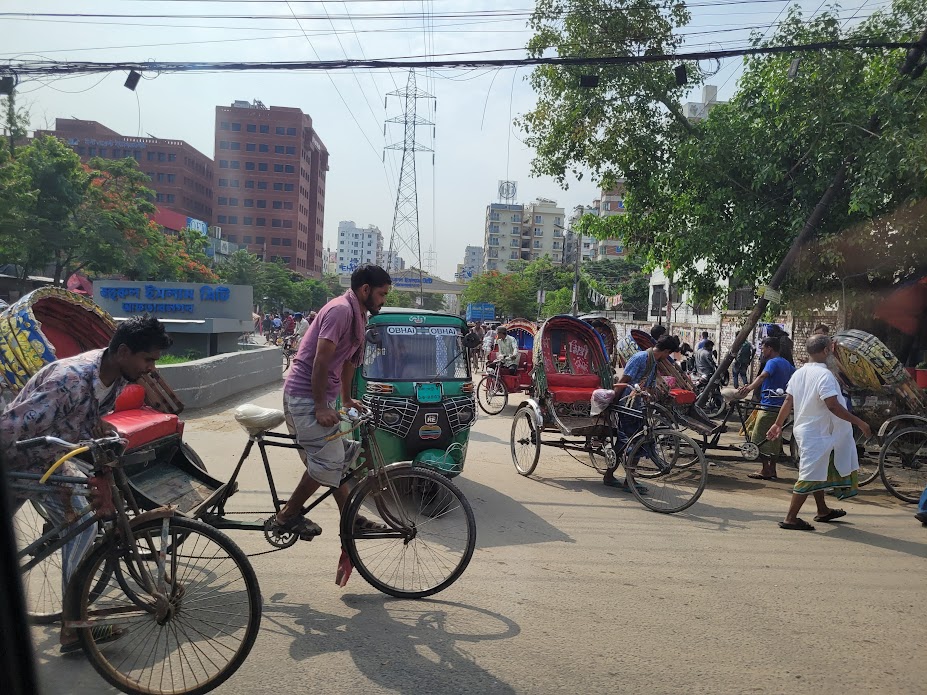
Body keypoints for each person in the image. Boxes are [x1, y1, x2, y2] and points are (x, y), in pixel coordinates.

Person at [0, 316, 172, 652]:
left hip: (51, 462)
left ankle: (74, 619)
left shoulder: (112, 375)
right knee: (80, 526)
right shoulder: (68, 381)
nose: (151, 368)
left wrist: (102, 434)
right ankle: (74, 626)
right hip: (22, 463)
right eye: (147, 359)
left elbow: (87, 417)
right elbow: (10, 429)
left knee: (81, 521)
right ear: (123, 351)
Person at [272, 265, 392, 549]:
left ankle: (349, 516)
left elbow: (350, 362)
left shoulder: (359, 316)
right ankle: (287, 516)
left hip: (321, 398)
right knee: (328, 461)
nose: (383, 300)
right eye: (382, 294)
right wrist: (318, 406)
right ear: (365, 290)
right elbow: (321, 360)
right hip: (303, 396)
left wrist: (347, 399)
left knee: (338, 459)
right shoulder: (340, 311)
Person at [766, 335, 872, 530]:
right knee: (808, 474)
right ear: (826, 350)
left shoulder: (799, 373)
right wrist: (860, 422)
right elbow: (833, 406)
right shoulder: (825, 376)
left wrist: (778, 424)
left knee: (819, 470)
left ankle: (822, 510)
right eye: (831, 350)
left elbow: (789, 401)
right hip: (817, 433)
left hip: (809, 431)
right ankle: (790, 518)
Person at [603, 335, 681, 491]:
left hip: (640, 409)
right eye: (668, 354)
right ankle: (626, 480)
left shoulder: (653, 362)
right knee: (632, 443)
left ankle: (613, 476)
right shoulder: (640, 358)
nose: (667, 358)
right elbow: (624, 381)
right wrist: (611, 403)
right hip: (627, 406)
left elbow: (649, 386)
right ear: (666, 351)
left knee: (638, 442)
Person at [737, 336, 796, 480]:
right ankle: (772, 469)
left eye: (763, 348)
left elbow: (763, 376)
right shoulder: (788, 365)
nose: (762, 351)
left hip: (768, 405)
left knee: (758, 437)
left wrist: (748, 388)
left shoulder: (772, 362)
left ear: (769, 348)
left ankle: (765, 469)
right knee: (775, 438)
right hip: (781, 407)